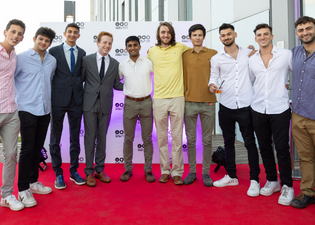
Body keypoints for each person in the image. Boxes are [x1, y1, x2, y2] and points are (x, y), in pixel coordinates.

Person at [209, 23, 260, 196]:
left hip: (246, 105)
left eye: (229, 34)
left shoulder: (249, 53)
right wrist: (212, 85)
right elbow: (213, 77)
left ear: (235, 34)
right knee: (228, 142)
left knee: (250, 142)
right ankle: (232, 176)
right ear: (220, 38)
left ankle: (255, 180)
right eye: (223, 35)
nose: (226, 37)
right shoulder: (216, 59)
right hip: (226, 105)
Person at [249, 23, 294, 206]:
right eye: (259, 34)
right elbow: (250, 81)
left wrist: (289, 85)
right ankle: (272, 181)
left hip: (280, 108)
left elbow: (298, 74)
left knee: (282, 149)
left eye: (265, 34)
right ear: (255, 38)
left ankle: (287, 186)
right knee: (265, 147)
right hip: (258, 108)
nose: (262, 37)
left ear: (271, 36)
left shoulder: (285, 55)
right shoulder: (252, 59)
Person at [15, 27, 57, 208]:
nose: (43, 43)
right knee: (26, 149)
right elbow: (10, 79)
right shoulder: (21, 58)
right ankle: (22, 189)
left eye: (47, 41)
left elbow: (50, 81)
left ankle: (33, 182)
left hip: (45, 110)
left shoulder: (52, 60)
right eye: (41, 39)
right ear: (34, 38)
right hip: (26, 109)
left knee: (38, 148)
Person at [147, 22, 189, 185]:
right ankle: (165, 170)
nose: (165, 35)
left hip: (177, 98)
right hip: (159, 99)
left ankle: (177, 171)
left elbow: (196, 53)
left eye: (168, 32)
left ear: (172, 34)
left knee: (178, 137)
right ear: (159, 35)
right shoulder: (152, 51)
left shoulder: (181, 47)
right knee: (162, 138)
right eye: (163, 32)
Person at [82, 31, 123, 187]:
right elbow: (80, 80)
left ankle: (99, 170)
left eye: (110, 43)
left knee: (102, 139)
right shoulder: (86, 60)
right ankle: (88, 172)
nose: (107, 45)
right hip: (89, 105)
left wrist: (134, 83)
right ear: (98, 43)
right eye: (104, 42)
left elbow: (117, 85)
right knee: (89, 139)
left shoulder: (115, 64)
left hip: (106, 105)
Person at [49, 23, 86, 189]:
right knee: (55, 138)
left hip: (76, 100)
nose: (72, 34)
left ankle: (73, 171)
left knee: (74, 137)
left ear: (78, 35)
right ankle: (58, 173)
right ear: (64, 33)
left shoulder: (83, 53)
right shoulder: (54, 51)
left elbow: (81, 76)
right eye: (69, 32)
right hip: (57, 99)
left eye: (75, 32)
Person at [182, 24, 217, 187]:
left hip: (208, 102)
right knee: (190, 140)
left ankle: (206, 173)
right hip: (188, 102)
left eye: (200, 35)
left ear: (204, 37)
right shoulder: (183, 55)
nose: (197, 37)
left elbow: (225, 72)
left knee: (207, 140)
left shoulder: (213, 54)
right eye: (194, 35)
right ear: (190, 37)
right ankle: (192, 172)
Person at [118, 36, 155, 182]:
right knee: (128, 138)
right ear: (126, 48)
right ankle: (128, 169)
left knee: (147, 139)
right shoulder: (122, 65)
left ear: (140, 47)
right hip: (130, 103)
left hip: (146, 102)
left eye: (135, 45)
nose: (132, 47)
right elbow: (117, 81)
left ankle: (148, 170)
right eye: (129, 45)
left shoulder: (148, 63)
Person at [0, 19, 25, 211]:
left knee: (11, 154)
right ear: (5, 32)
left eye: (19, 34)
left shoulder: (15, 55)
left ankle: (6, 195)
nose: (16, 36)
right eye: (13, 32)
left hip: (11, 112)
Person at [290, 16, 315, 209]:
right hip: (298, 114)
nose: (305, 32)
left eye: (308, 28)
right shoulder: (294, 52)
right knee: (305, 157)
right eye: (301, 30)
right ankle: (308, 192)